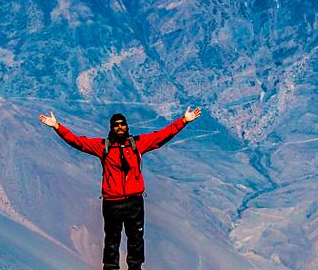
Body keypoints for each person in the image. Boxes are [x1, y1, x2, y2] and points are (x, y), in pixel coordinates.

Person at [40, 106, 201, 270]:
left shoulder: (137, 144)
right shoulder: (102, 146)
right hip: (112, 203)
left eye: (122, 124)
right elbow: (77, 141)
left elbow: (161, 136)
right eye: (116, 124)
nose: (119, 127)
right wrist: (57, 127)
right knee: (112, 240)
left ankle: (135, 268)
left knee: (136, 240)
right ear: (111, 128)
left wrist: (183, 121)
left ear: (126, 126)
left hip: (134, 202)